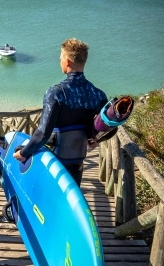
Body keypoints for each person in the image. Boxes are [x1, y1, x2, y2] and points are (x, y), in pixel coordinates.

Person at [13, 38, 108, 187]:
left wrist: (23, 153)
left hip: (54, 162)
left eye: (60, 59)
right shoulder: (98, 94)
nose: (60, 62)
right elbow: (107, 125)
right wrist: (96, 139)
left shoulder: (56, 94)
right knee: (71, 192)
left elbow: (42, 134)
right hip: (77, 161)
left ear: (67, 62)